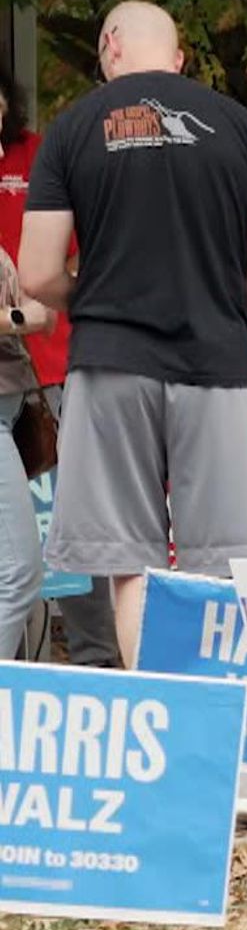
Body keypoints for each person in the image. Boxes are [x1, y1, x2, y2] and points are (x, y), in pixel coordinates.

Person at [15, 0, 247, 663]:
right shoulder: (243, 128)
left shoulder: (72, 129)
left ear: (109, 49)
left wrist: (92, 294)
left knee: (130, 567)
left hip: (110, 365)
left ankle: (159, 723)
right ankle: (224, 725)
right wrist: (220, 290)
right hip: (217, 364)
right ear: (178, 58)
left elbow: (36, 273)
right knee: (226, 570)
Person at [0, 66, 119, 668]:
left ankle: (95, 654)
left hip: (52, 371)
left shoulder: (39, 155)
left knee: (71, 516)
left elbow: (77, 257)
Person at [0, 247, 48, 656]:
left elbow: (38, 310)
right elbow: (28, 314)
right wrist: (19, 318)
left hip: (13, 407)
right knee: (19, 574)